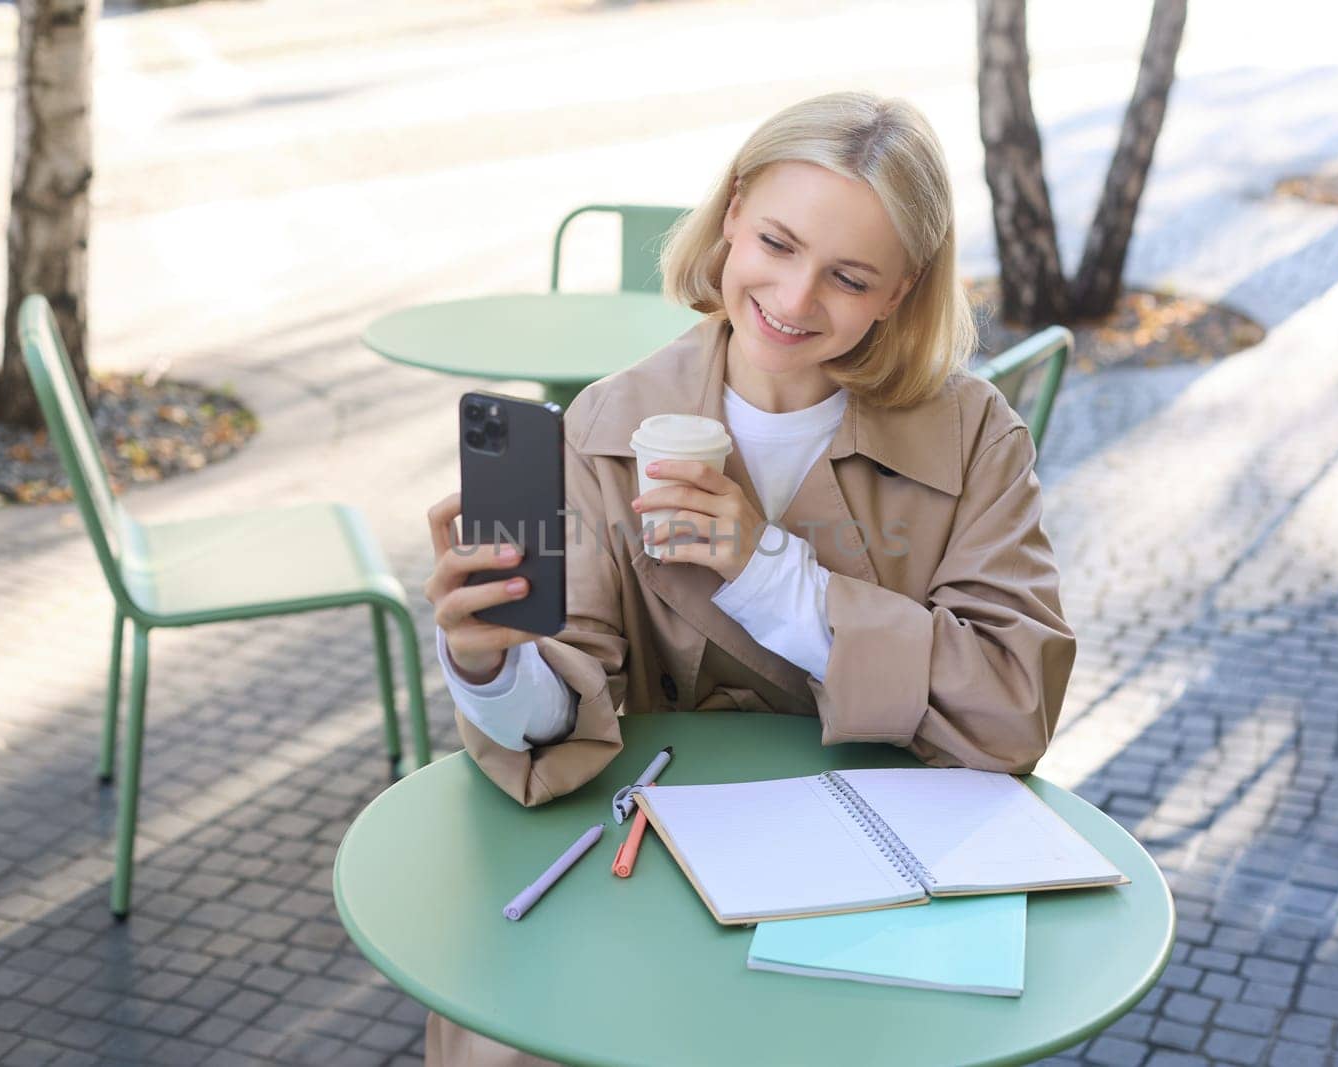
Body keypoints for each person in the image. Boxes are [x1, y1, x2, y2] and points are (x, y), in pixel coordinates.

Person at [420, 90, 1076, 1067]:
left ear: (901, 291)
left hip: (882, 868)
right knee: (495, 1041)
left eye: (850, 276)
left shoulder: (973, 433)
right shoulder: (604, 425)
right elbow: (570, 687)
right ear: (729, 216)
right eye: (775, 241)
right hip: (642, 852)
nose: (796, 297)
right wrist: (488, 666)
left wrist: (768, 568)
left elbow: (1012, 701)